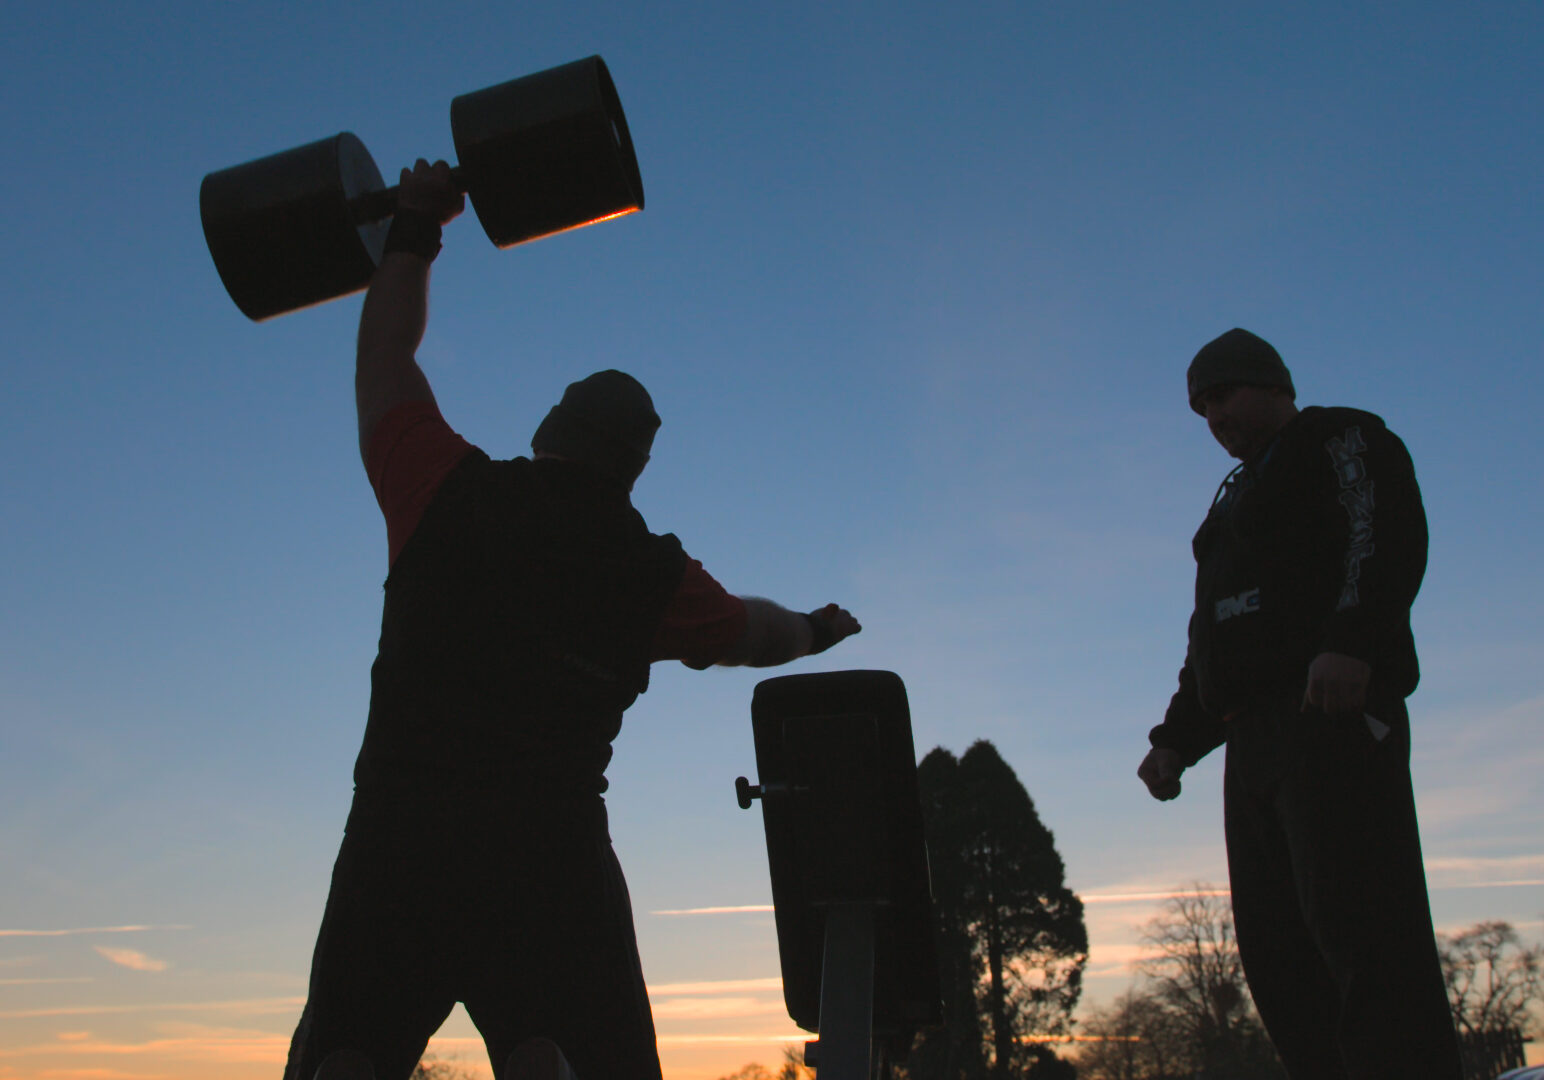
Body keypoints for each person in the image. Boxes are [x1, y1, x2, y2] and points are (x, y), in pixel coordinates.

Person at [282, 160, 862, 1080]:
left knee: (344, 1058)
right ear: (633, 470)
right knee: (587, 1062)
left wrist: (416, 228)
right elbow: (759, 636)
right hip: (546, 857)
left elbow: (384, 359)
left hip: (399, 840)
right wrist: (818, 630)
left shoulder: (441, 490)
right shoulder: (656, 577)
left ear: (548, 429)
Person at [1136, 328, 1462, 1078]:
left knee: (1363, 932)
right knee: (1277, 955)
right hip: (1250, 747)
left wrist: (1354, 639)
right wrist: (1176, 738)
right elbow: (1212, 635)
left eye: (1225, 395)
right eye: (1202, 407)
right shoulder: (1229, 504)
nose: (1215, 417)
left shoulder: (1339, 439)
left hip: (1331, 716)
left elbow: (1382, 531)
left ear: (1274, 385)